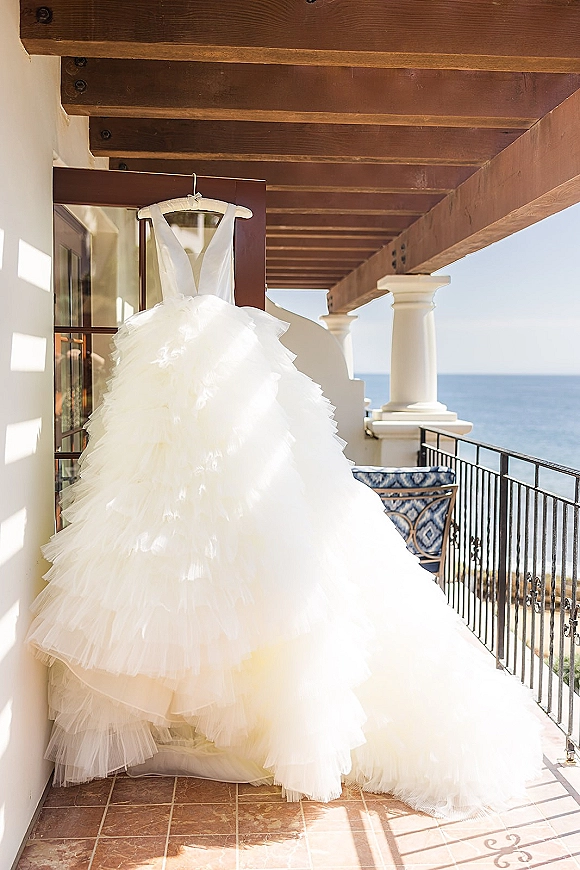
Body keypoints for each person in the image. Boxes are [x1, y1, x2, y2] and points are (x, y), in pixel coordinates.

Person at [28, 201, 542, 818]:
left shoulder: (209, 223)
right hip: (171, 380)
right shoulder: (162, 223)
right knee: (167, 515)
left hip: (221, 372)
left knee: (245, 512)